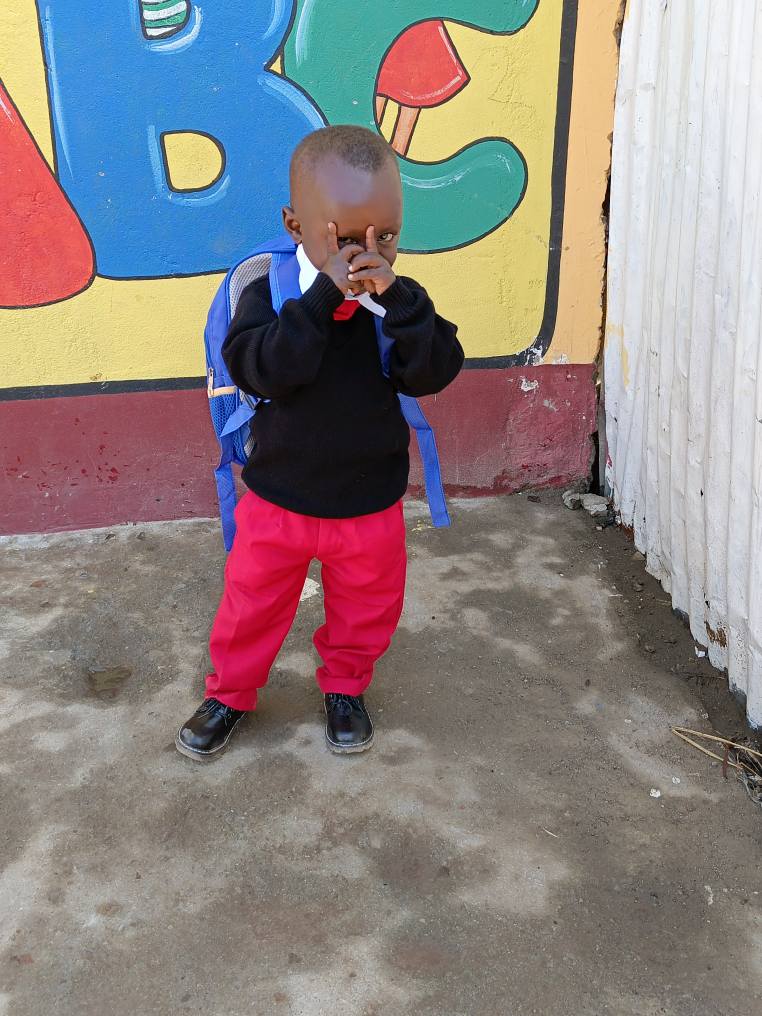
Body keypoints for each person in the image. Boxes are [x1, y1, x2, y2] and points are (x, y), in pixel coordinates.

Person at [176, 124, 463, 760]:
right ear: (295, 224)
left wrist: (403, 304)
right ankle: (230, 693)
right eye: (346, 237)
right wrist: (323, 296)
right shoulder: (268, 293)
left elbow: (435, 370)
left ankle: (345, 687)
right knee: (251, 605)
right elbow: (265, 369)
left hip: (368, 500)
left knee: (367, 607)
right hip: (279, 496)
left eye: (386, 237)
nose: (368, 253)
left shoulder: (398, 302)